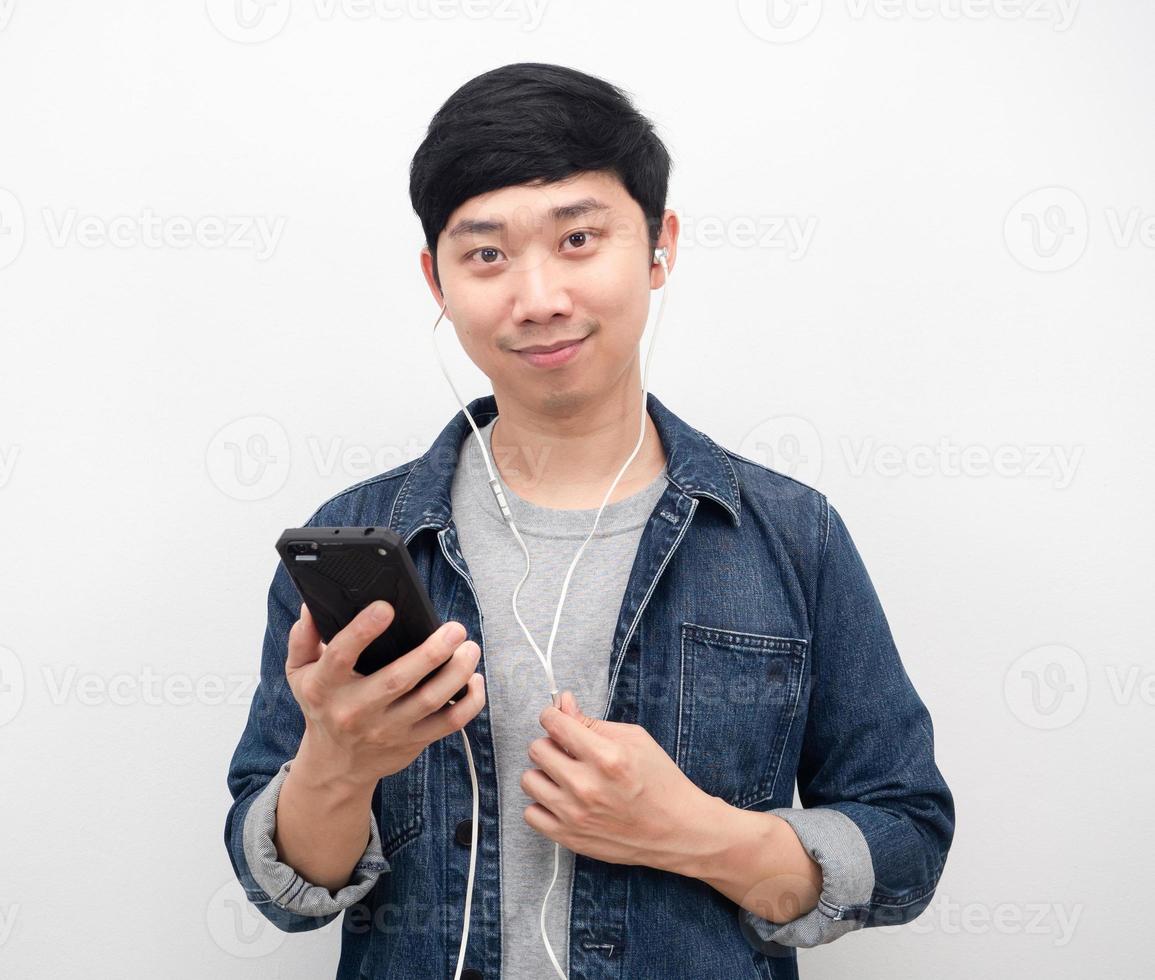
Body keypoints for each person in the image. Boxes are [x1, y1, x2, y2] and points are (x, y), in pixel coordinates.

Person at [225, 62, 955, 980]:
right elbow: (283, 889)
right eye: (485, 254)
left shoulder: (788, 534)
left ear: (659, 246)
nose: (537, 299)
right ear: (436, 280)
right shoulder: (357, 537)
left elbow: (907, 838)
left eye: (578, 238)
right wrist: (337, 759)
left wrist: (692, 834)